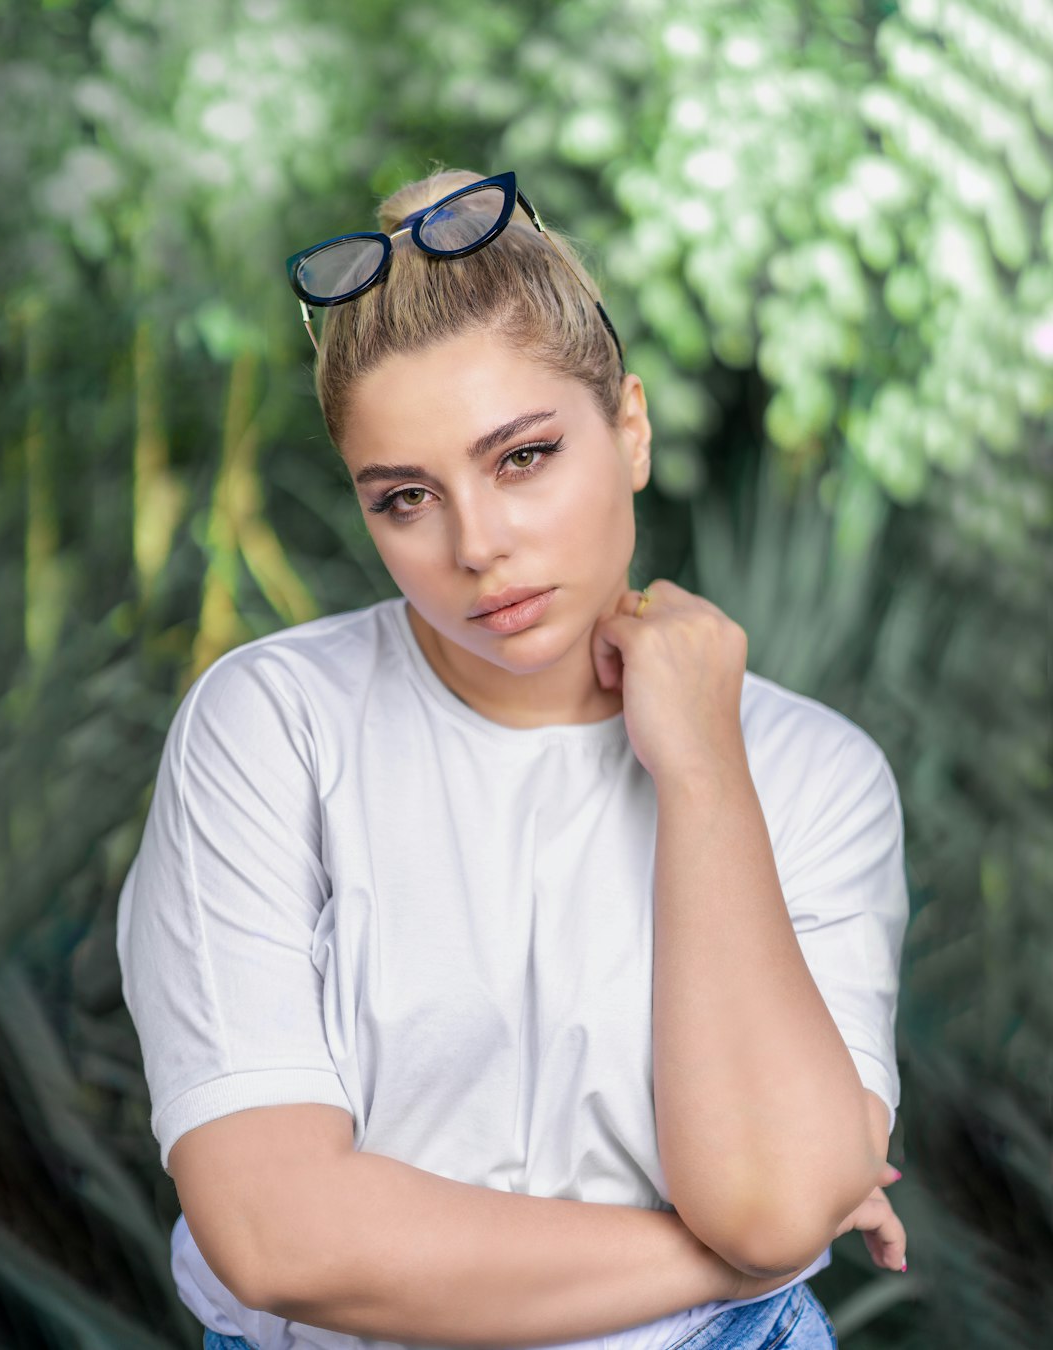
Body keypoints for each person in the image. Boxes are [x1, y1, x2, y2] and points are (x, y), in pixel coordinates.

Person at [115, 167, 910, 1350]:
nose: (476, 545)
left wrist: (701, 769)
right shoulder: (272, 726)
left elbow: (768, 1196)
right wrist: (733, 1259)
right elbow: (278, 1238)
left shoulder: (813, 774)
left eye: (524, 457)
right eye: (404, 498)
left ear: (628, 427)